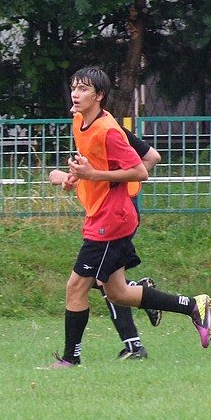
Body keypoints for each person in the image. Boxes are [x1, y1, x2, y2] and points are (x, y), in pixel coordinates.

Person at [49, 66, 211, 368]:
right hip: (102, 215)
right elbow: (113, 163)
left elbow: (140, 171)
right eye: (74, 87)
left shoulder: (108, 130)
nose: (75, 93)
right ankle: (193, 306)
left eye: (83, 89)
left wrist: (95, 176)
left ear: (99, 96)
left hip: (110, 221)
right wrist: (75, 177)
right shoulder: (80, 121)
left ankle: (71, 359)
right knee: (118, 293)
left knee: (76, 286)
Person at [49, 125, 162, 360]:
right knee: (101, 279)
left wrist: (118, 187)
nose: (74, 106)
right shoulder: (86, 128)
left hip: (117, 215)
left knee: (96, 279)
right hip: (107, 214)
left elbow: (150, 159)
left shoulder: (109, 131)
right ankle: (140, 302)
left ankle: (133, 343)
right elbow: (95, 174)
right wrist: (70, 179)